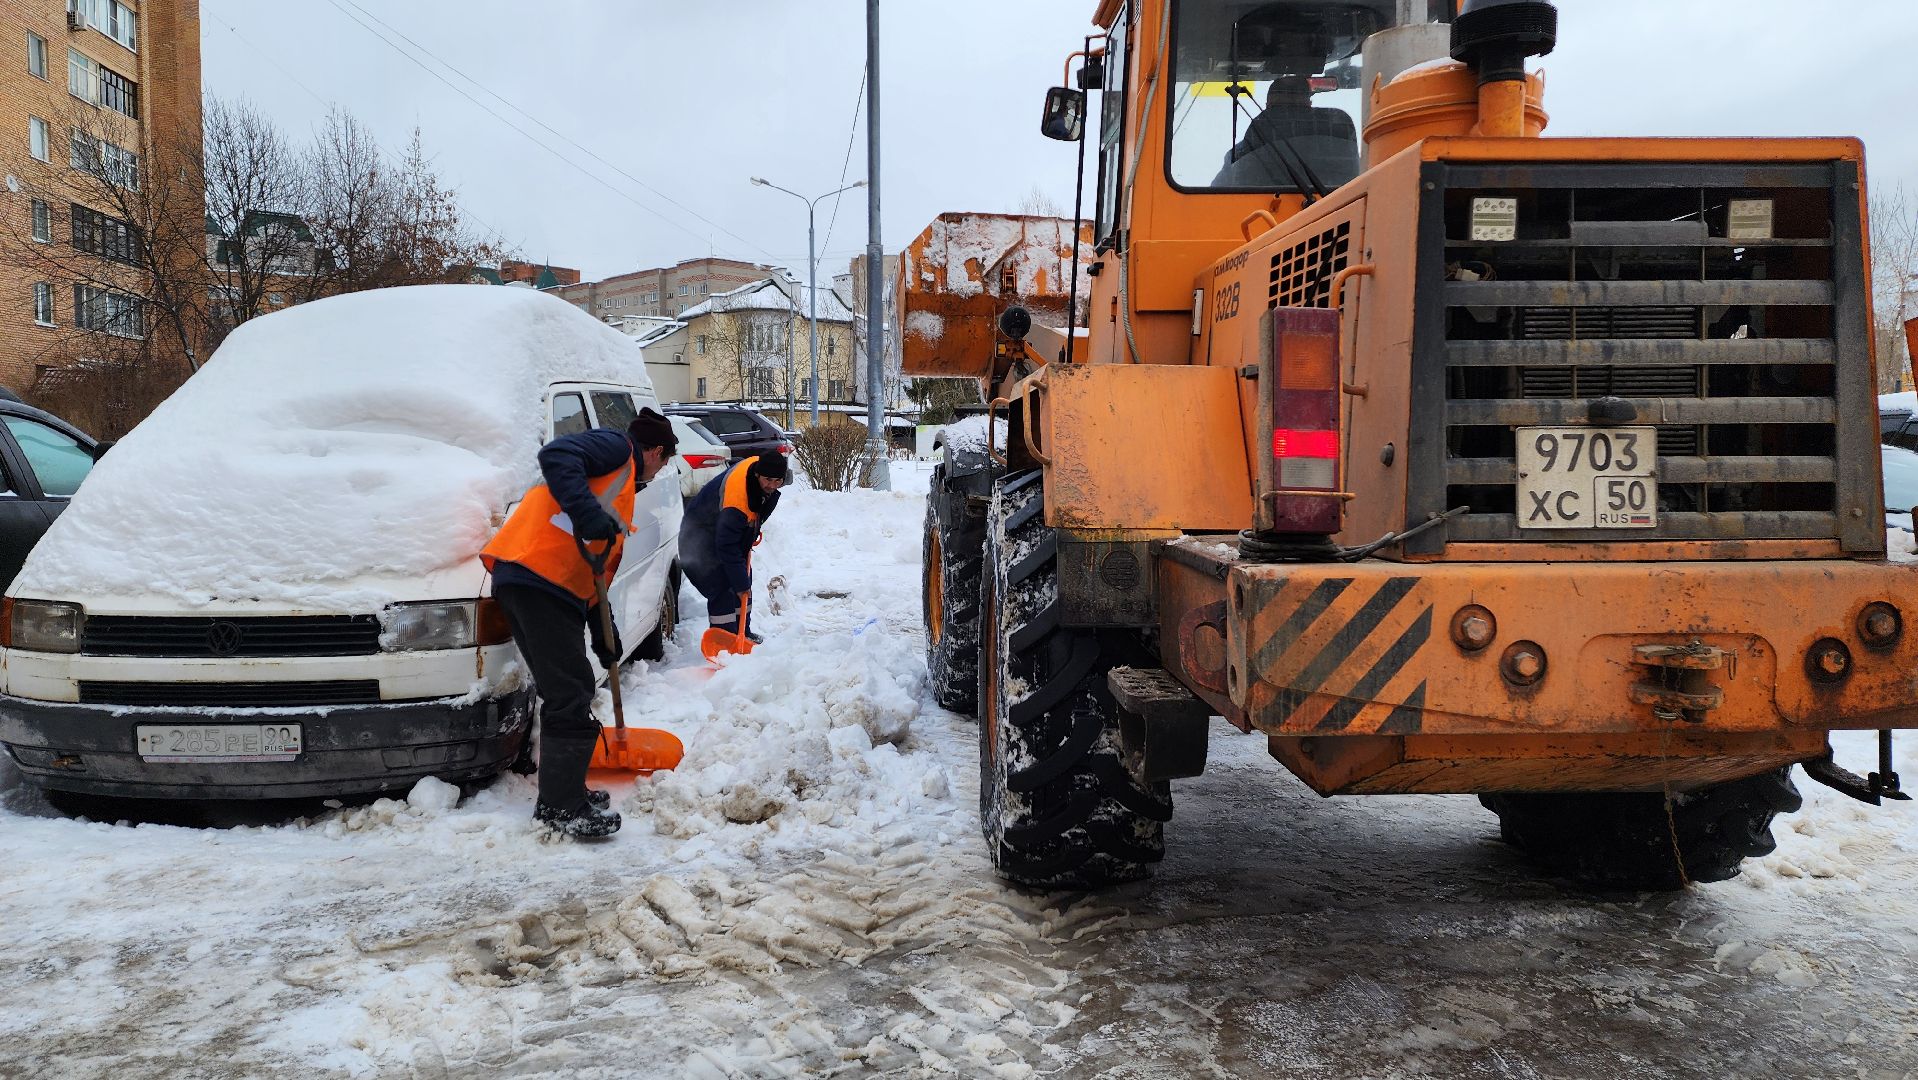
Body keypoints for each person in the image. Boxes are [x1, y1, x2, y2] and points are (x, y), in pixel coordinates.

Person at [480, 408, 678, 839]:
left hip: (548, 583)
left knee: (567, 688)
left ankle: (566, 790)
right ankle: (559, 805)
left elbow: (596, 574)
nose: (660, 472)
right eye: (664, 463)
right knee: (570, 691)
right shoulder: (615, 448)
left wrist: (607, 633)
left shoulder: (619, 492)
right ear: (656, 451)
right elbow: (557, 454)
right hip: (537, 575)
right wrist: (588, 513)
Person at [680, 453, 788, 644]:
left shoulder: (758, 472)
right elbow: (727, 546)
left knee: (743, 582)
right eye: (768, 480)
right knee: (722, 587)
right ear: (758, 475)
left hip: (725, 533)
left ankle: (742, 634)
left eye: (777, 481)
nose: (772, 485)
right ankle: (724, 642)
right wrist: (740, 584)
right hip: (700, 538)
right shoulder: (736, 502)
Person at [1211, 75, 1359, 191]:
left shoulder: (1242, 153)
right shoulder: (1338, 130)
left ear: (1268, 105)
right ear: (1309, 105)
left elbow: (1217, 194)